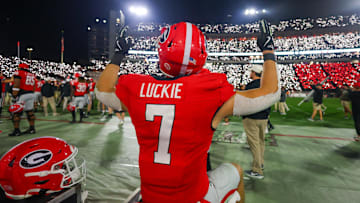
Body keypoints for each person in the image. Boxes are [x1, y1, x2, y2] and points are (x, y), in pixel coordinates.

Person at [96, 20, 279, 203]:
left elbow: (102, 92)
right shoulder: (210, 90)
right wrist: (268, 50)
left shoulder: (137, 87)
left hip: (151, 195)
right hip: (192, 196)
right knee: (236, 171)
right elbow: (270, 93)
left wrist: (118, 55)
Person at [242, 64, 271, 180]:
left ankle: (257, 170)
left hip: (252, 117)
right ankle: (260, 163)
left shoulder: (250, 86)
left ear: (254, 73)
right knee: (260, 142)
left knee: (254, 144)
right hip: (264, 117)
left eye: (251, 72)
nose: (250, 74)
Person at [9, 63, 36, 136]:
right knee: (30, 112)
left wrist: (14, 95)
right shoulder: (32, 75)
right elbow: (34, 86)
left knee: (16, 113)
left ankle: (17, 130)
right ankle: (32, 128)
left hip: (22, 94)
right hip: (31, 94)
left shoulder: (19, 72)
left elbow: (17, 84)